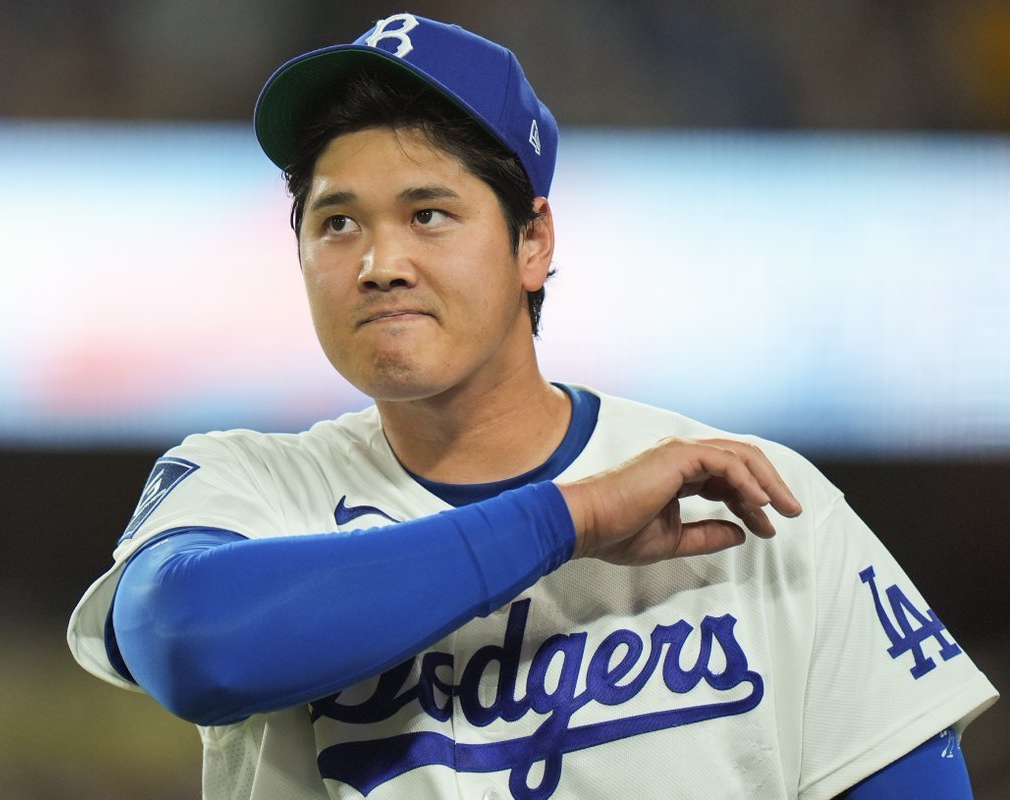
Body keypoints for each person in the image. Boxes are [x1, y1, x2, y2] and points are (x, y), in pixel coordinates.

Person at [68, 13, 997, 800]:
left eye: (429, 214)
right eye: (337, 221)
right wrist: (571, 519)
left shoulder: (754, 501)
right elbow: (191, 645)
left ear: (533, 243)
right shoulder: (251, 485)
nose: (379, 263)